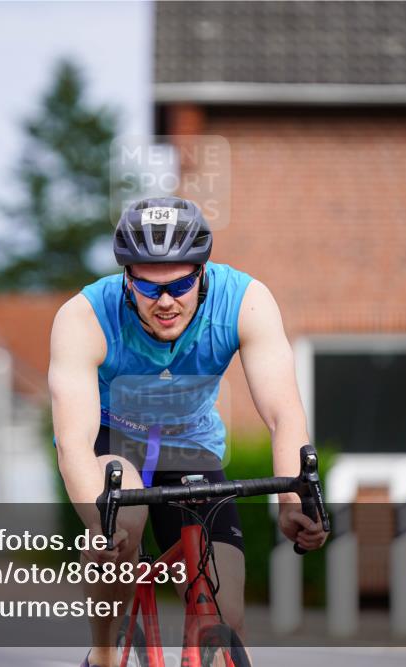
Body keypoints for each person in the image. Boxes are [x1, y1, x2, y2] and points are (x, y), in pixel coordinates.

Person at [49, 196, 327, 667]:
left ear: (202, 271)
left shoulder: (245, 301)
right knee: (119, 529)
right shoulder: (83, 317)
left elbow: (283, 413)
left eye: (179, 284)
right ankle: (104, 653)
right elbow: (74, 440)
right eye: (146, 287)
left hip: (191, 447)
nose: (164, 302)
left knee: (226, 611)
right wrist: (101, 525)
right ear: (125, 278)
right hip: (113, 442)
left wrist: (293, 502)